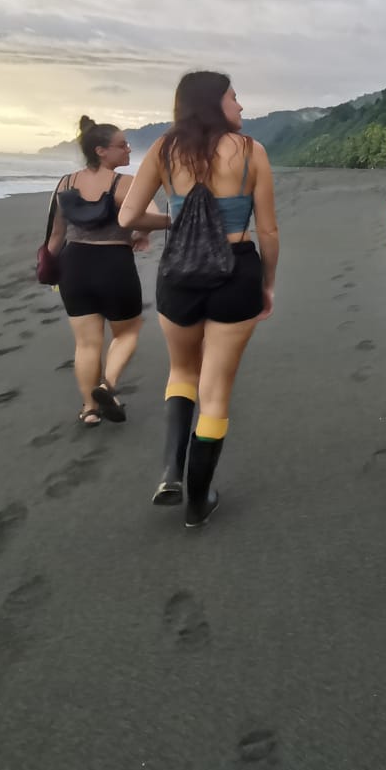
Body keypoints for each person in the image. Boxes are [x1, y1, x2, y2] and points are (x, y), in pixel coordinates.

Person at [119, 72, 279, 527]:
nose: (241, 106)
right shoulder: (252, 153)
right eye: (234, 96)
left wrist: (180, 220)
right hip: (237, 274)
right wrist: (267, 283)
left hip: (179, 276)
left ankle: (172, 469)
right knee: (216, 392)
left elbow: (128, 215)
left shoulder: (165, 149)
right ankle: (197, 501)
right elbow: (267, 230)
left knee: (182, 371)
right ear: (214, 102)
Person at [45, 117, 166, 426]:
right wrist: (153, 229)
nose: (128, 149)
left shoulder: (65, 183)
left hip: (74, 266)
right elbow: (150, 216)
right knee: (127, 332)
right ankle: (107, 385)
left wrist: (50, 270)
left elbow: (55, 237)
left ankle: (89, 409)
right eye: (122, 145)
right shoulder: (126, 184)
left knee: (86, 344)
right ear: (100, 150)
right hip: (114, 265)